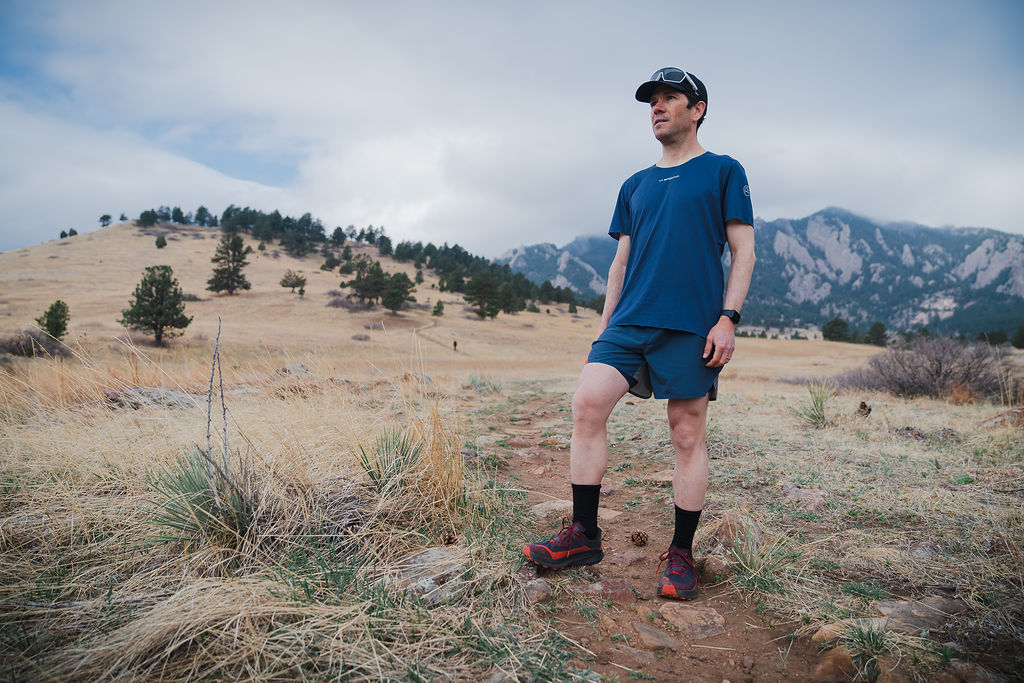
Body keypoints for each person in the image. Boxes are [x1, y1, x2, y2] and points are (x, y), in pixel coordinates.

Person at [523, 67, 755, 601]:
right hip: (628, 322)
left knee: (686, 434)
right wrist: (605, 328)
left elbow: (743, 251)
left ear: (697, 109)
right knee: (587, 404)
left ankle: (680, 553)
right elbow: (619, 264)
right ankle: (583, 535)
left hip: (692, 323)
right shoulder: (635, 184)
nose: (657, 107)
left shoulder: (724, 170)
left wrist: (728, 318)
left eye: (670, 98)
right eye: (652, 100)